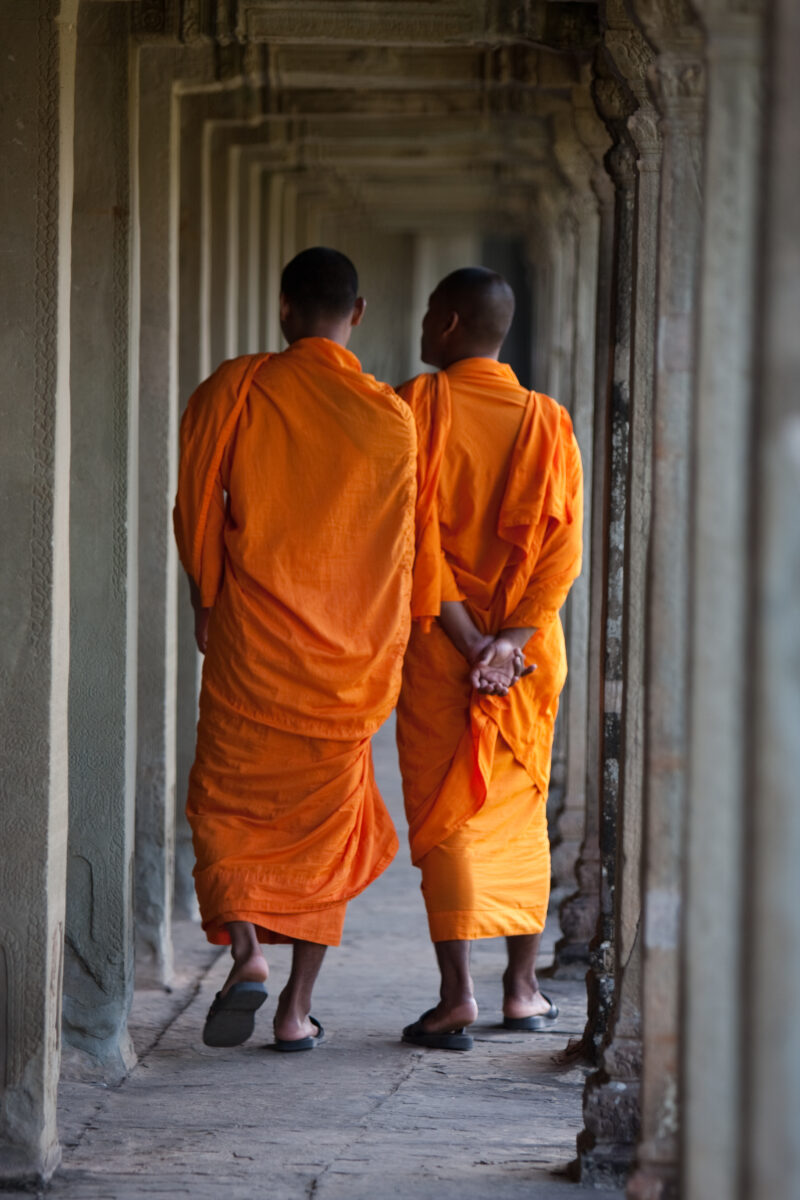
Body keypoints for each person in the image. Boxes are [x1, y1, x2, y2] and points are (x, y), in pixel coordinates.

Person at [173, 247, 421, 1052]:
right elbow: (397, 551)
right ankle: (294, 1011)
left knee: (227, 804)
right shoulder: (389, 415)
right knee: (327, 829)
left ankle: (247, 954)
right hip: (343, 665)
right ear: (357, 314)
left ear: (285, 308)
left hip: (252, 642)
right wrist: (382, 641)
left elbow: (194, 509)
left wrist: (204, 598)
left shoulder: (237, 387)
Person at [396, 267, 584, 1051]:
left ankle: (454, 995)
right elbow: (564, 549)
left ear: (445, 322)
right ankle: (521, 989)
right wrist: (509, 640)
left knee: (448, 818)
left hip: (443, 651)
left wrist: (469, 640)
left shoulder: (414, 408)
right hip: (527, 655)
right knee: (517, 811)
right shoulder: (547, 420)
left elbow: (410, 537)